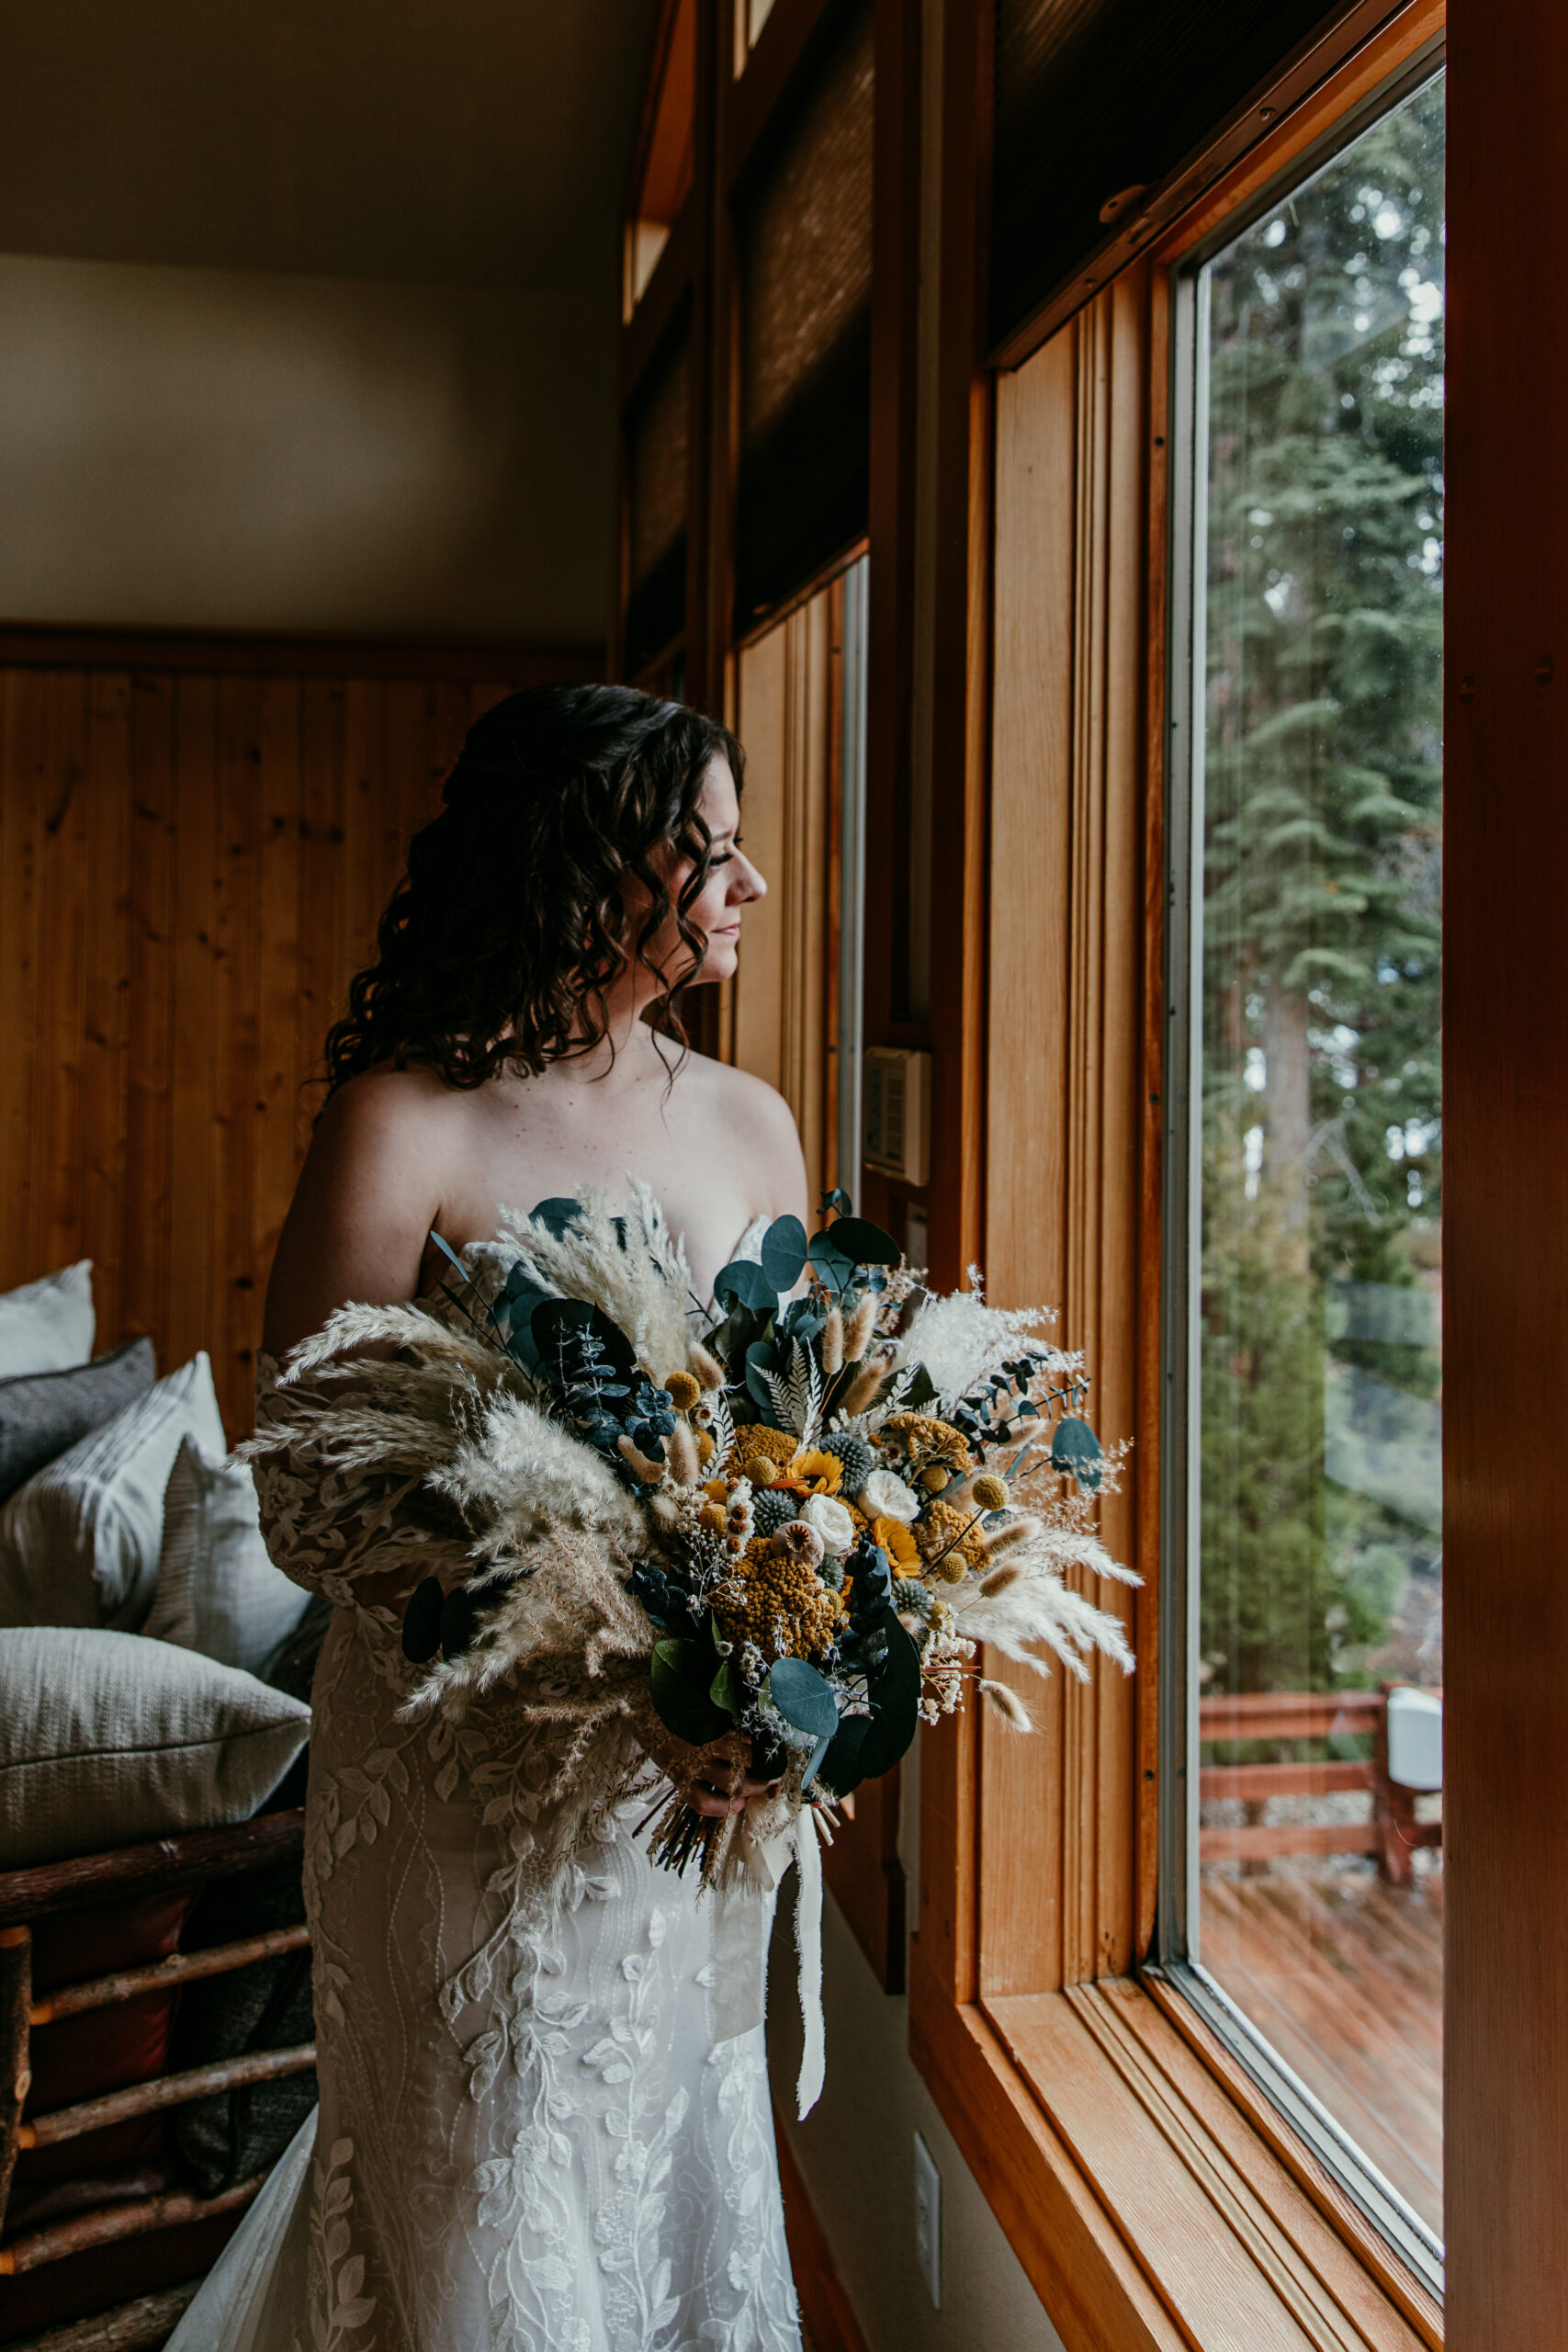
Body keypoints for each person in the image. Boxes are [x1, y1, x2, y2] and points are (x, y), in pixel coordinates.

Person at [169, 686, 809, 2352]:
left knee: (660, 2171)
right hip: (463, 1787)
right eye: (711, 854)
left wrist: (779, 1669)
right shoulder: (410, 1118)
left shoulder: (754, 1126)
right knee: (482, 2196)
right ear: (593, 870)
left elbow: (790, 1447)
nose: (750, 885)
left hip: (683, 1810)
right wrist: (592, 1633)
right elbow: (307, 1479)